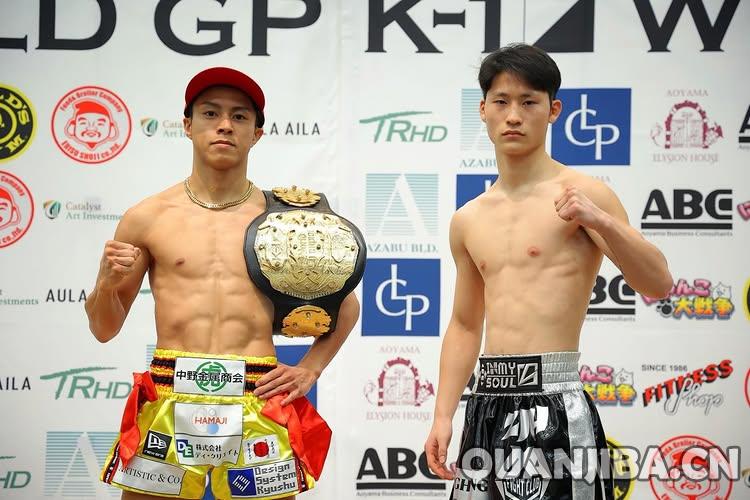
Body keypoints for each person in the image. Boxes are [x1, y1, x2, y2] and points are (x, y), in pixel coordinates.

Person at [85, 67, 361, 500]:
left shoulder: (286, 221)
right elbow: (104, 328)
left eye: (240, 116)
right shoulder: (147, 217)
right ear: (188, 125)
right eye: (211, 113)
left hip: (258, 395)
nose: (225, 125)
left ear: (257, 134)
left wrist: (311, 367)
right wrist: (105, 283)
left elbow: (347, 306)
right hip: (170, 393)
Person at [424, 44, 673, 499]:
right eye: (501, 101)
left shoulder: (585, 194)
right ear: (482, 110)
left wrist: (600, 221)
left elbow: (658, 283)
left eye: (528, 102)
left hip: (556, 402)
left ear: (553, 110)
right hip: (485, 406)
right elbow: (465, 324)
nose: (513, 116)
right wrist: (443, 415)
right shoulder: (468, 218)